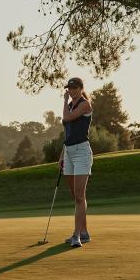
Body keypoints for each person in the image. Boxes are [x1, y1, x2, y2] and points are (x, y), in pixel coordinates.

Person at [59, 77, 93, 248]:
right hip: (69, 152)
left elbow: (67, 118)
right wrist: (62, 155)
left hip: (82, 152)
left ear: (81, 88)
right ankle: (84, 232)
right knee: (76, 196)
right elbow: (68, 133)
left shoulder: (84, 104)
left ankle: (76, 235)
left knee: (80, 195)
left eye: (73, 88)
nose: (71, 91)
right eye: (69, 88)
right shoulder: (71, 105)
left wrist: (65, 101)